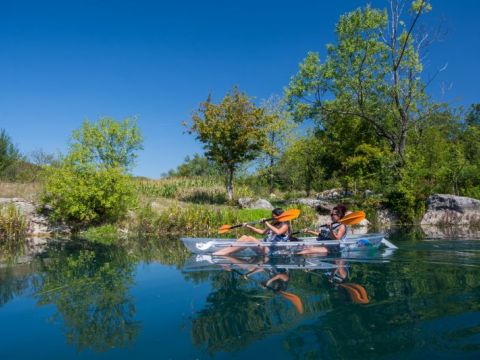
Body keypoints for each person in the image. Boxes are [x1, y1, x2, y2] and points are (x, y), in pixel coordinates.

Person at [213, 208, 291, 256]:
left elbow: (278, 232)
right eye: (272, 217)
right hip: (265, 246)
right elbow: (262, 232)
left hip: (271, 251)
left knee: (249, 239)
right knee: (244, 237)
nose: (272, 218)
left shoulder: (285, 225)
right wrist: (249, 226)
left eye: (274, 217)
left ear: (280, 216)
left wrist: (266, 223)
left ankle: (221, 254)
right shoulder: (274, 223)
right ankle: (226, 252)